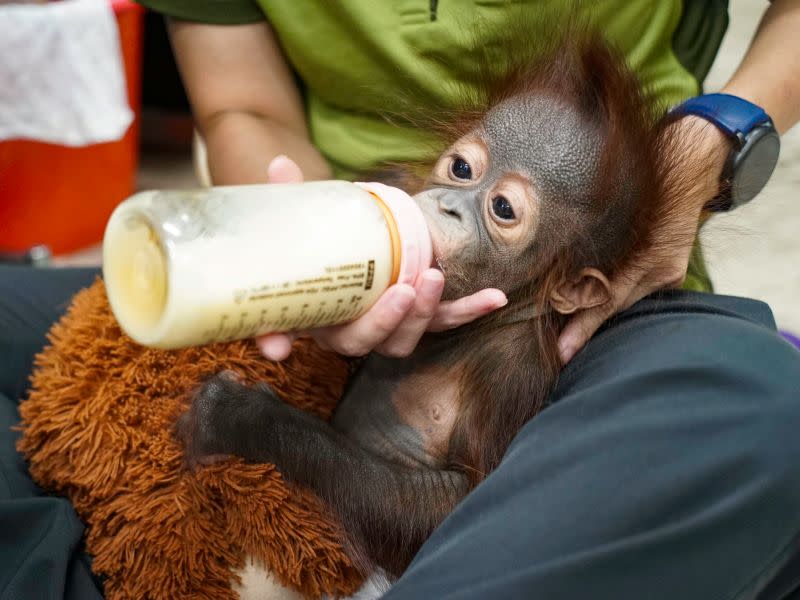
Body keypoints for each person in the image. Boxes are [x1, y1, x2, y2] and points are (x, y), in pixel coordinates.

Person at [1, 1, 799, 598]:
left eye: (501, 208)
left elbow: (438, 513)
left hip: (627, 295)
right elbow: (241, 105)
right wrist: (308, 242)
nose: (453, 201)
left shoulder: (528, 350)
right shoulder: (414, 199)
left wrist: (703, 148)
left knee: (766, 405)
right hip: (333, 219)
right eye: (460, 171)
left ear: (564, 279)